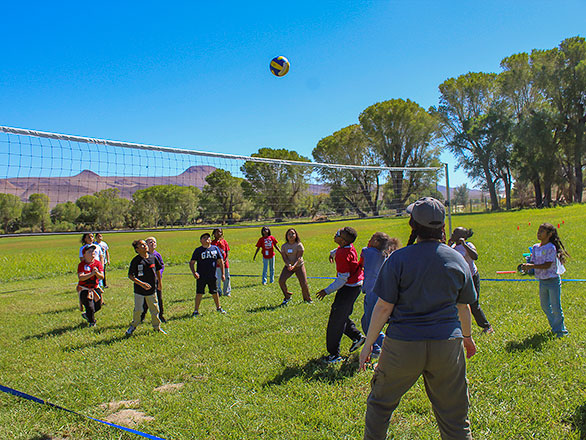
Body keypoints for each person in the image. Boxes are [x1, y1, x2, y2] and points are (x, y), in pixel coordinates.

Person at [359, 197, 477, 440]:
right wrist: (467, 337)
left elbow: (383, 308)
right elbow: (463, 307)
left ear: (412, 225)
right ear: (442, 227)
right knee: (455, 417)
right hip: (447, 345)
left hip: (402, 346)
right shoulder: (457, 259)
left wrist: (368, 344)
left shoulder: (398, 259)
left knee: (380, 405)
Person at [316, 226, 366, 364]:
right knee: (341, 315)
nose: (335, 233)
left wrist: (327, 290)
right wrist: (332, 253)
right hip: (354, 286)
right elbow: (341, 249)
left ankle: (334, 355)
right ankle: (357, 337)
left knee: (335, 320)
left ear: (342, 241)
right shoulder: (346, 247)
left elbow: (342, 279)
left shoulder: (342, 255)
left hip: (348, 288)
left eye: (338, 234)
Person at [521, 222, 569, 338]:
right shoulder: (535, 247)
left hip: (552, 281)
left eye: (542, 231)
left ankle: (561, 331)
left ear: (550, 234)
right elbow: (533, 261)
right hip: (542, 281)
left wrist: (531, 266)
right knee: (545, 306)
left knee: (556, 307)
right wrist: (527, 267)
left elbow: (547, 265)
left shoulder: (551, 248)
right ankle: (555, 326)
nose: (538, 233)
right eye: (538, 230)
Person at [359, 232, 400, 360]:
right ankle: (376, 348)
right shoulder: (383, 254)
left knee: (371, 323)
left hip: (373, 293)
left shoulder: (369, 252)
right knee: (365, 321)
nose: (369, 240)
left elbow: (363, 252)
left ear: (376, 241)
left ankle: (389, 349)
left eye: (372, 238)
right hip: (378, 292)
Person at [448, 227, 494, 334]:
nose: (452, 234)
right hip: (459, 278)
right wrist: (448, 245)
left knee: (474, 303)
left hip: (472, 277)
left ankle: (487, 326)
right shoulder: (453, 247)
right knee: (458, 303)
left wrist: (464, 245)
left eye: (455, 233)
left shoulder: (468, 245)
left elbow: (475, 256)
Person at [126, 240, 166, 336]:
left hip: (152, 290)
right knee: (139, 310)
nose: (145, 246)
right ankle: (133, 326)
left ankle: (157, 327)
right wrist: (141, 284)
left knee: (155, 309)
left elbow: (157, 271)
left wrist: (159, 283)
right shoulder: (136, 260)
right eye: (142, 245)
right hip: (139, 291)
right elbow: (131, 276)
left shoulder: (153, 258)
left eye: (145, 244)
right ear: (137, 249)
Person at [189, 233, 226, 316]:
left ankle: (218, 308)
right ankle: (196, 311)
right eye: (204, 238)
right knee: (199, 293)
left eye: (208, 237)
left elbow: (220, 262)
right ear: (201, 241)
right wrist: (194, 272)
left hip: (212, 275)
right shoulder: (198, 250)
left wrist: (223, 274)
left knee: (214, 292)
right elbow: (192, 263)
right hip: (201, 276)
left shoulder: (215, 248)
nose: (207, 239)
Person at [278, 228, 312, 306]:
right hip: (288, 267)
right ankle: (287, 296)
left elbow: (299, 257)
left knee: (303, 283)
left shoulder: (299, 245)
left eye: (293, 234)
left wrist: (294, 265)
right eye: (289, 234)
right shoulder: (284, 246)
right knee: (281, 281)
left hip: (299, 266)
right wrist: (289, 265)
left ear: (296, 235)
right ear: (286, 236)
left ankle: (307, 299)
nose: (291, 235)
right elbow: (284, 257)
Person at [77, 244, 104, 327]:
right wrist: (92, 274)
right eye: (89, 251)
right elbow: (81, 277)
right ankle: (92, 322)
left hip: (95, 288)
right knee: (90, 306)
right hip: (85, 289)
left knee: (98, 306)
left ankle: (87, 314)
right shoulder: (82, 265)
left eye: (93, 251)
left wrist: (97, 273)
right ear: (84, 255)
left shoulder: (97, 263)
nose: (92, 253)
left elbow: (102, 277)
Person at [140, 236, 166, 323]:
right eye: (150, 242)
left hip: (156, 280)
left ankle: (160, 316)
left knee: (158, 298)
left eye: (154, 242)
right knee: (145, 300)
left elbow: (161, 266)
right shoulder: (144, 256)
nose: (153, 243)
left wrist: (159, 274)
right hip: (147, 281)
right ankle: (141, 317)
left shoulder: (157, 255)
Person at [211, 228, 232, 297]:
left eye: (220, 232)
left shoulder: (224, 242)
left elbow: (226, 252)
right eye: (217, 232)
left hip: (225, 264)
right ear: (214, 234)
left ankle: (227, 292)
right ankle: (218, 292)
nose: (218, 234)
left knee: (227, 277)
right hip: (216, 264)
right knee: (217, 279)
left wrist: (225, 260)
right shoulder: (212, 243)